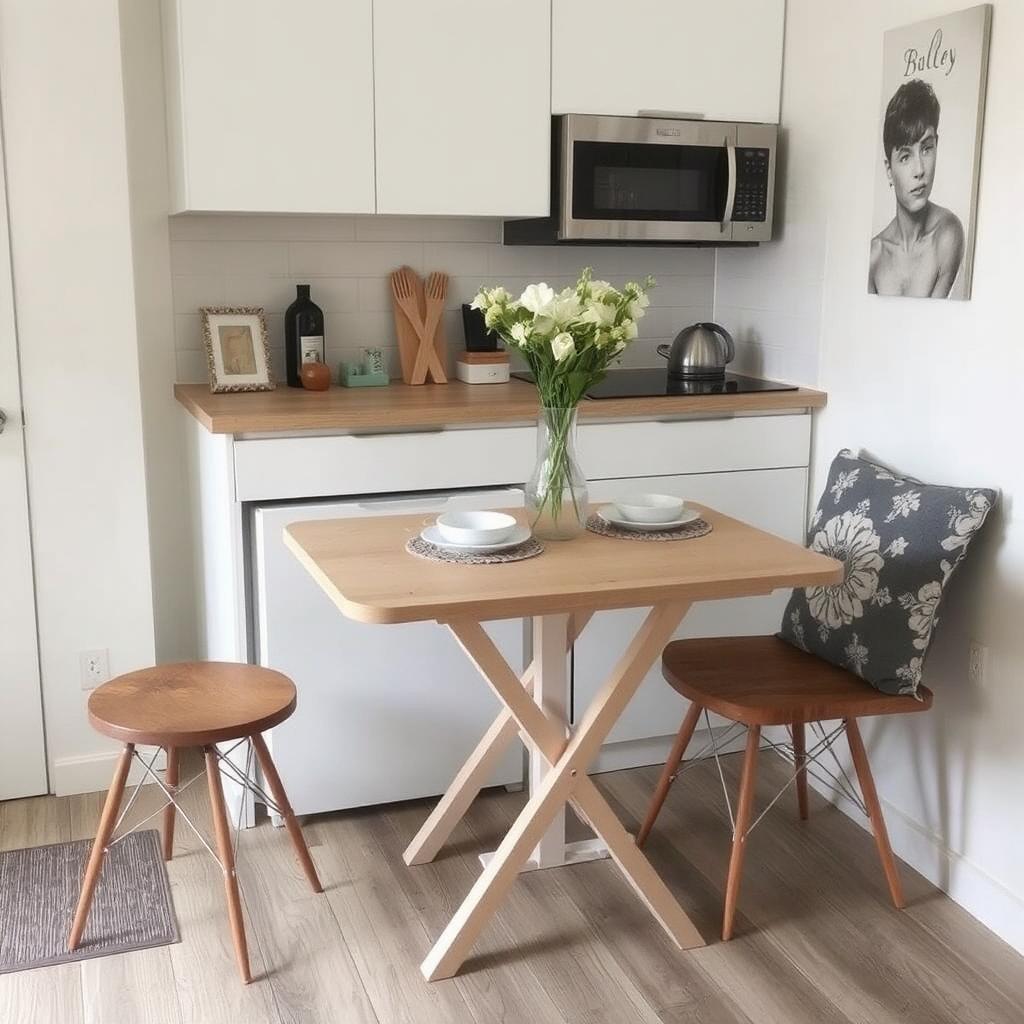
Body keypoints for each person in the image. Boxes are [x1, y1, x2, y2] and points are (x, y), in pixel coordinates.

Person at [868, 78, 964, 298]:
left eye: (927, 149)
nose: (919, 170)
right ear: (889, 170)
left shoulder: (948, 233)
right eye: (904, 157)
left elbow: (929, 326)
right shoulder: (874, 256)